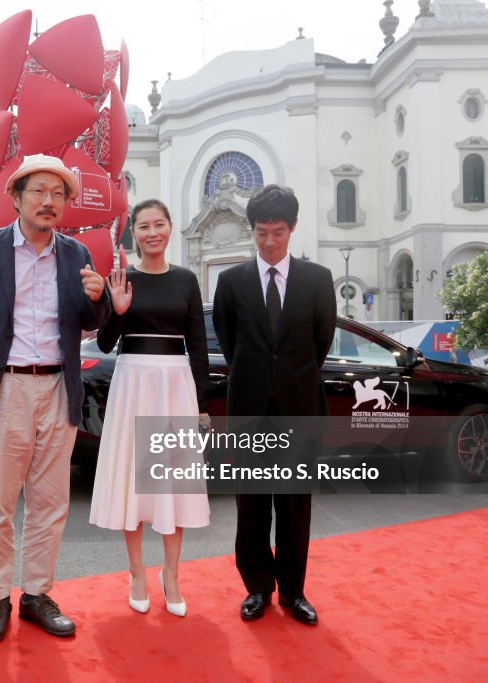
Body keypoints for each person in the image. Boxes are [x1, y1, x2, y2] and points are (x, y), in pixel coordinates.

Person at [0, 154, 109, 643]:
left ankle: (37, 594)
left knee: (50, 501)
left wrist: (99, 298)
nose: (48, 201)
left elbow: (91, 324)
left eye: (58, 194)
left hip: (58, 386)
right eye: (38, 191)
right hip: (4, 387)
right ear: (16, 198)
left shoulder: (76, 254)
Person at [211, 184, 336, 626]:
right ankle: (258, 588)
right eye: (261, 232)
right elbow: (230, 344)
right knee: (253, 504)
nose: (269, 241)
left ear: (293, 228)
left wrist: (287, 380)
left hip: (298, 410)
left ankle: (294, 591)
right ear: (253, 230)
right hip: (249, 410)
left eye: (277, 232)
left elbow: (320, 343)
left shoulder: (318, 280)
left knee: (294, 504)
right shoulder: (230, 282)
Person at [88, 199, 210, 618]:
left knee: (171, 482)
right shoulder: (121, 277)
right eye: (143, 226)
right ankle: (137, 573)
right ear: (133, 233)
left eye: (159, 224)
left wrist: (202, 405)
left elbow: (197, 345)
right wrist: (117, 311)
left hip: (175, 384)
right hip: (133, 381)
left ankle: (171, 575)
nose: (152, 232)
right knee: (132, 481)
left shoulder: (186, 280)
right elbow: (104, 343)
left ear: (171, 228)